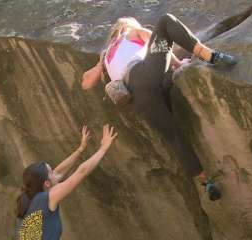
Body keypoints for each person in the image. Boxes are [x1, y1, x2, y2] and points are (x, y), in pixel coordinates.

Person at [81, 14, 237, 200]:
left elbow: (86, 83)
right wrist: (179, 64)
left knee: (174, 137)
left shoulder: (106, 56)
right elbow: (159, 44)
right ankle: (209, 55)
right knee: (164, 21)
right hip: (145, 74)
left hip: (138, 99)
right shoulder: (130, 32)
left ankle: (206, 182)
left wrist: (100, 64)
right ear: (126, 26)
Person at [15, 125, 118, 240]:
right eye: (51, 172)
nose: (55, 172)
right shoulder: (46, 198)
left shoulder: (31, 198)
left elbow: (59, 172)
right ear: (47, 184)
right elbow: (81, 172)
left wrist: (81, 149)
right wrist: (103, 148)